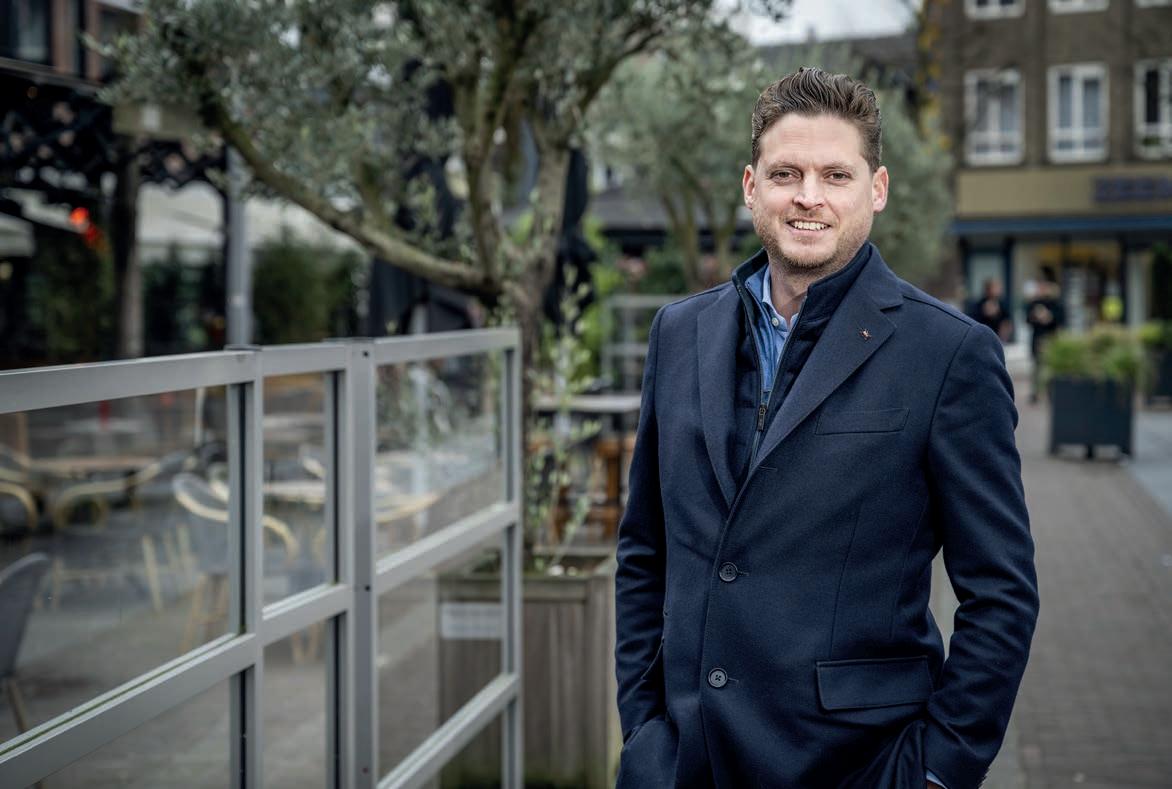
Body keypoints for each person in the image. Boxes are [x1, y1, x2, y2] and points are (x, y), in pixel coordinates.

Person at [614, 68, 1038, 789]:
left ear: (877, 189)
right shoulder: (678, 333)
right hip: (683, 763)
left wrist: (937, 771)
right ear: (751, 186)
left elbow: (1001, 592)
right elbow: (644, 550)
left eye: (836, 175)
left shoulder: (949, 354)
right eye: (786, 173)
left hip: (857, 765)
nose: (808, 195)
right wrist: (643, 728)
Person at [1025, 274, 1065, 403]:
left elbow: (1060, 320)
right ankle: (1035, 392)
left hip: (1051, 338)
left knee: (1050, 367)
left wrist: (1049, 317)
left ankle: (1050, 392)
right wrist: (1035, 317)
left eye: (1044, 287)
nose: (1042, 290)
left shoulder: (1055, 303)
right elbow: (1027, 320)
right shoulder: (1034, 303)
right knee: (1037, 367)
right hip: (1037, 338)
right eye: (1040, 287)